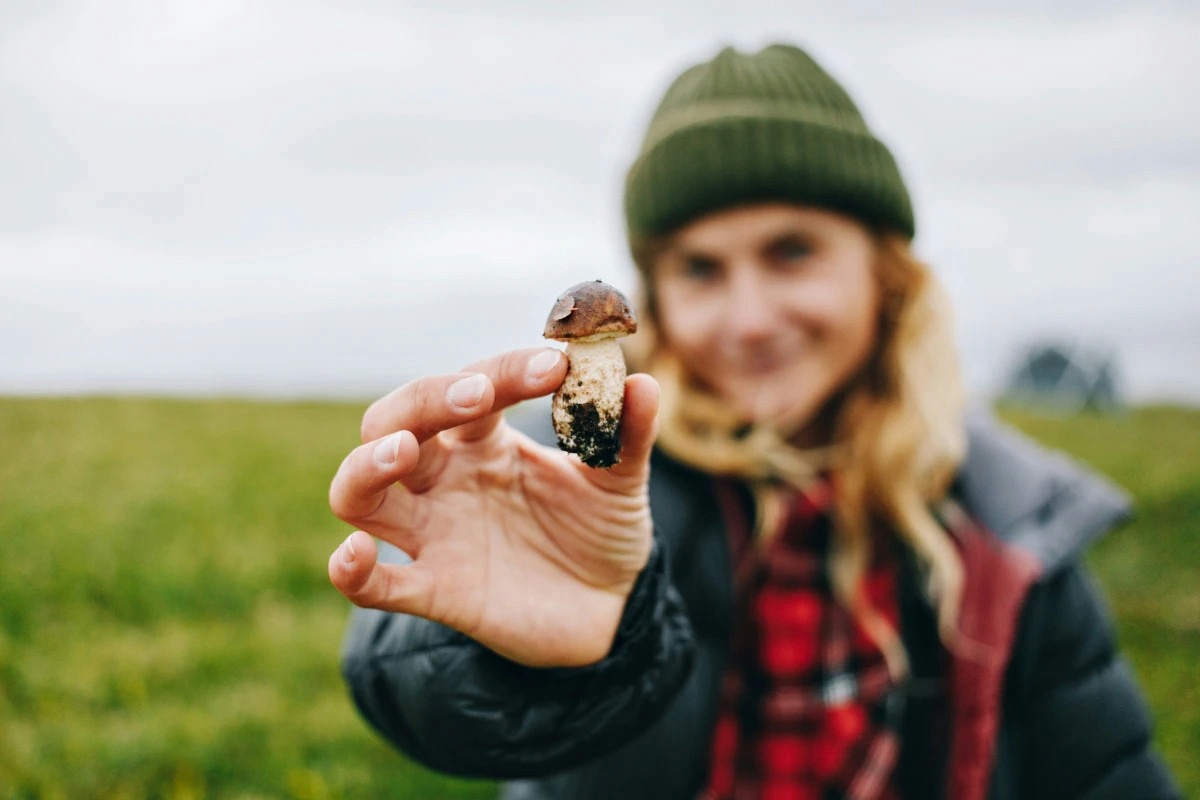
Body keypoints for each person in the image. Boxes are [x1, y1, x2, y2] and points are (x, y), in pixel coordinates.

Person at [326, 44, 1180, 800]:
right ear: (656, 299)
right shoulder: (582, 478)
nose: (750, 318)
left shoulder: (1011, 528)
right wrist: (538, 650)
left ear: (885, 273)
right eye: (701, 268)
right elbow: (423, 685)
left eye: (792, 251)